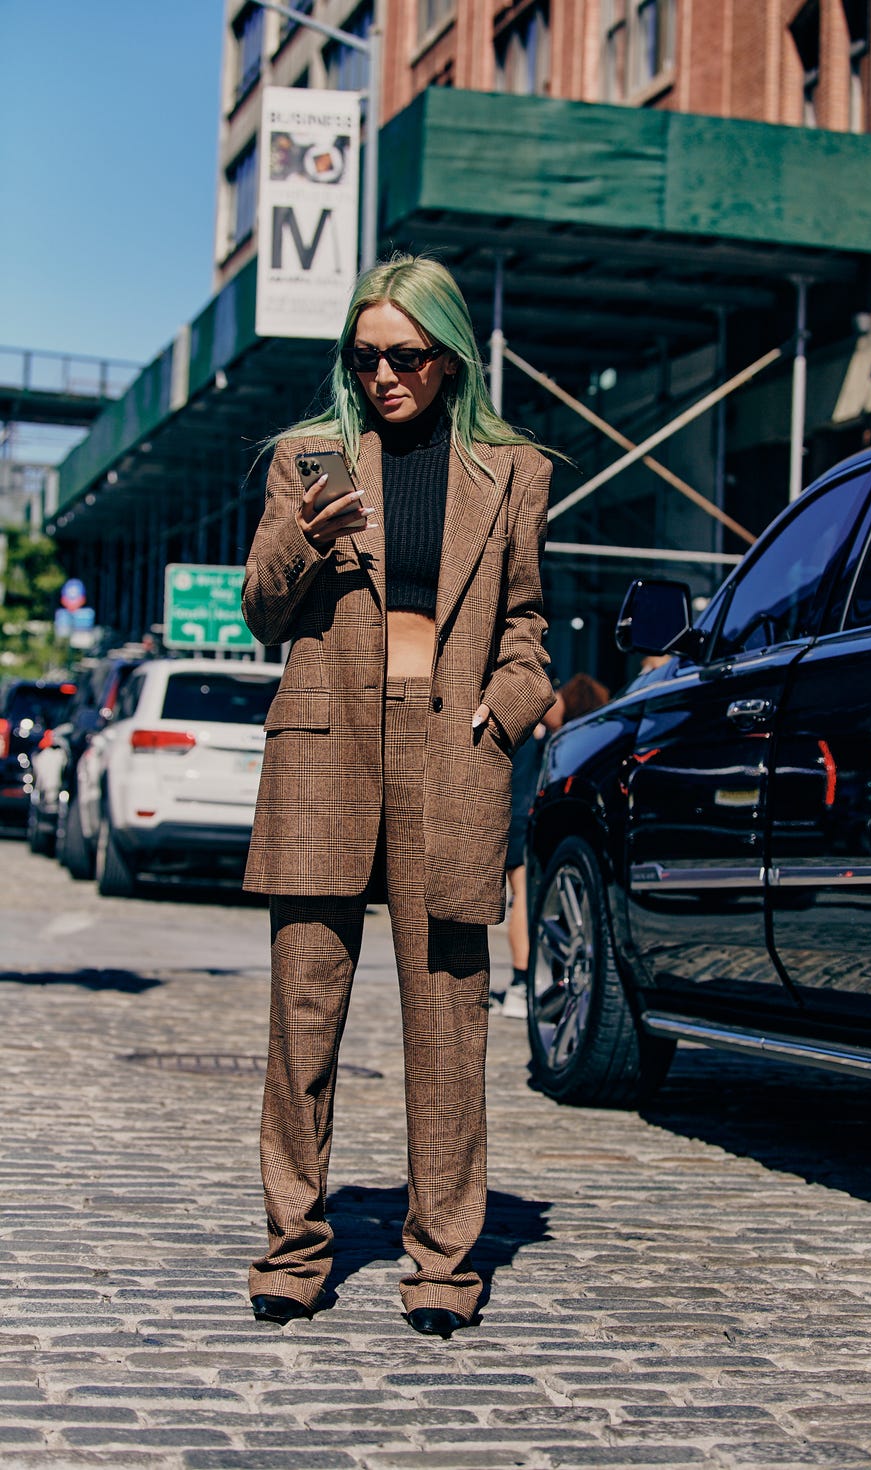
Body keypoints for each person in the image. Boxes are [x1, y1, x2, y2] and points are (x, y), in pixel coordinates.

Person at [240, 254, 556, 1341]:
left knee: (447, 1022)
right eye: (364, 355)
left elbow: (524, 627)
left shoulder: (512, 474)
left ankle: (442, 1267)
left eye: (405, 356)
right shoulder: (308, 460)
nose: (382, 375)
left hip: (450, 751)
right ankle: (292, 1250)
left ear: (448, 356)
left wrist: (506, 706)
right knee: (302, 1020)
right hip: (324, 749)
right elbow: (260, 611)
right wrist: (305, 534)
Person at [498, 672, 610, 1017]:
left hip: (516, 817)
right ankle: (522, 981)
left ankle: (524, 981)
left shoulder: (528, 731)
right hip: (524, 819)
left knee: (525, 900)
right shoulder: (558, 742)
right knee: (526, 899)